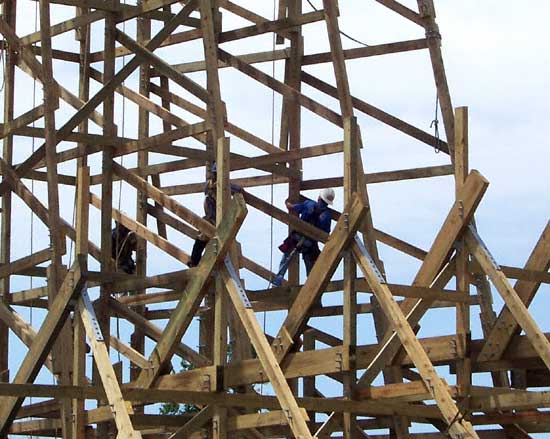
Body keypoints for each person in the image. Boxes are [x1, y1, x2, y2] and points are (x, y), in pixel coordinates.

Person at [272, 188, 335, 287]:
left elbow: (292, 207)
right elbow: (326, 233)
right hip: (310, 244)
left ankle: (277, 282)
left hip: (296, 237)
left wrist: (287, 203)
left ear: (319, 197)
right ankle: (311, 290)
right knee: (310, 268)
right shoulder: (327, 215)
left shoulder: (309, 204)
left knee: (286, 260)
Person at [189, 162, 241, 267]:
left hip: (218, 219)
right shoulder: (212, 186)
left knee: (204, 240)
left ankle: (195, 262)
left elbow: (237, 190)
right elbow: (237, 190)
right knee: (202, 239)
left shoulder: (222, 186)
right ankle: (195, 262)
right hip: (213, 218)